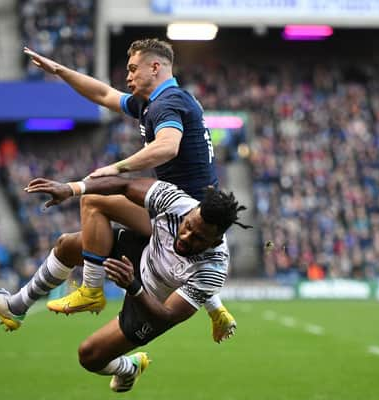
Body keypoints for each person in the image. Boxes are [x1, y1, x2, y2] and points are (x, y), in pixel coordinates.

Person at [24, 39, 236, 340]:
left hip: (182, 213)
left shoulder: (167, 103)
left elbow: (168, 146)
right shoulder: (154, 102)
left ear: (155, 67)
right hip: (181, 208)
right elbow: (103, 93)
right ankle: (215, 307)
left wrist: (118, 168)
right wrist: (60, 70)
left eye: (133, 69)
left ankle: (91, 289)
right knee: (115, 226)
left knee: (95, 198)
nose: (128, 76)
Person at [0, 175, 250, 391]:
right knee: (71, 238)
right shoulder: (176, 202)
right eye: (188, 225)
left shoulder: (213, 267)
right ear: (192, 212)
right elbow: (125, 183)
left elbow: (167, 316)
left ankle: (129, 369)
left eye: (198, 238)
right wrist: (70, 188)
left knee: (89, 357)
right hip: (142, 253)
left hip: (151, 301)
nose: (186, 236)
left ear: (214, 241)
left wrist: (134, 286)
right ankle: (18, 306)